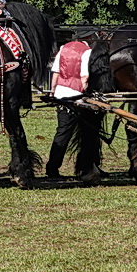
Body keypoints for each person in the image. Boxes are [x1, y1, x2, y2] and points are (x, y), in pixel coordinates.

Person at [44, 36, 93, 179]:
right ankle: (87, 167)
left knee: (62, 132)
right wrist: (85, 91)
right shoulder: (87, 51)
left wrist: (52, 91)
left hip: (60, 93)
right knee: (86, 131)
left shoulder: (63, 49)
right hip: (77, 96)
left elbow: (56, 73)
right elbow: (84, 76)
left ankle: (53, 166)